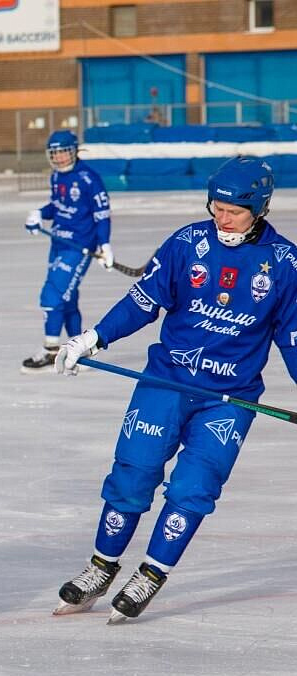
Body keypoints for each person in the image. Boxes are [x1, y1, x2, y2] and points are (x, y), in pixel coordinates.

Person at [52, 157, 297, 622]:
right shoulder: (187, 242)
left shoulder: (285, 263)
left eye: (233, 211)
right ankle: (101, 566)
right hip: (166, 381)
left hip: (229, 399)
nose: (222, 217)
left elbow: (293, 338)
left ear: (260, 209)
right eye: (216, 207)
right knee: (133, 474)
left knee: (194, 487)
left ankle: (151, 573)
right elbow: (144, 300)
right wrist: (93, 337)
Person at [21, 129, 115, 373]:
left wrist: (104, 245)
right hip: (59, 243)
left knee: (51, 296)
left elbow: (102, 215)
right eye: (55, 153)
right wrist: (40, 214)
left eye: (64, 151)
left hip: (79, 248)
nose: (60, 157)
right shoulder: (55, 176)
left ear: (74, 151)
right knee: (68, 300)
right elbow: (58, 205)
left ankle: (51, 349)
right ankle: (78, 349)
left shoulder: (89, 179)